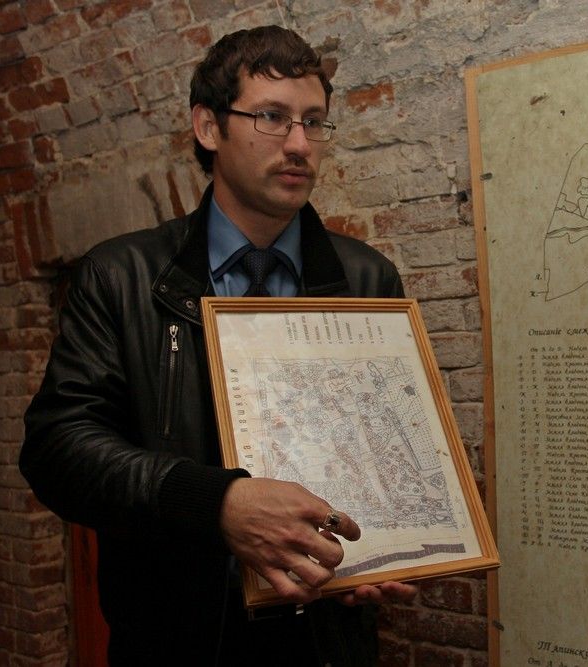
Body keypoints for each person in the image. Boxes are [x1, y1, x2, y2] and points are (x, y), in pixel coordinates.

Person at [21, 25, 416, 665]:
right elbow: (58, 449)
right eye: (272, 118)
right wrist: (215, 502)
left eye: (314, 123)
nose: (300, 144)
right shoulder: (119, 276)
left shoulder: (368, 278)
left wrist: (384, 547)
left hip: (324, 640)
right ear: (208, 127)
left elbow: (388, 447)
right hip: (176, 638)